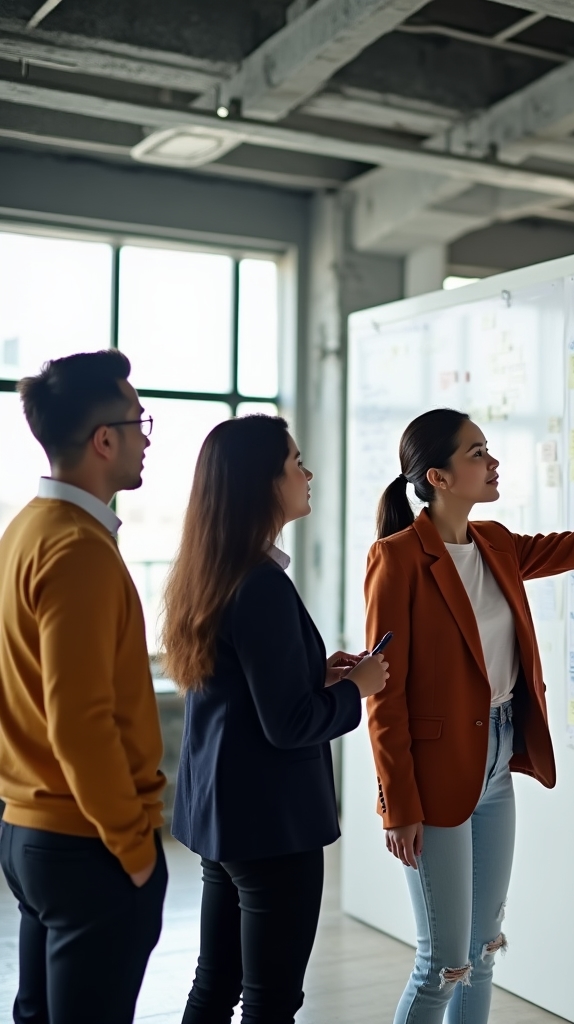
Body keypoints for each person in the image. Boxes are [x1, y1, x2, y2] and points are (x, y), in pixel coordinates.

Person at [365, 407, 574, 1024]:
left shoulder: (496, 543)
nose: (493, 462)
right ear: (438, 477)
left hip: (496, 759)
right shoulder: (397, 558)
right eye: (477, 453)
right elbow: (385, 695)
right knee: (441, 963)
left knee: (482, 952)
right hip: (433, 774)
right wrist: (396, 806)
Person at [162, 415, 388, 1024]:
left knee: (215, 983)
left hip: (225, 815)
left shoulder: (213, 568)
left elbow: (244, 689)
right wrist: (359, 690)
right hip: (271, 825)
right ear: (262, 482)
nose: (308, 474)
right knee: (271, 998)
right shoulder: (260, 583)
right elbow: (288, 725)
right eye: (296, 464)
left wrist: (320, 673)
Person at [0, 350, 166, 1024]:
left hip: (33, 828)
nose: (146, 437)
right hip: (86, 841)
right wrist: (132, 847)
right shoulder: (77, 551)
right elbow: (81, 722)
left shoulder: (26, 529)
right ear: (104, 439)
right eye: (138, 421)